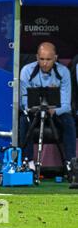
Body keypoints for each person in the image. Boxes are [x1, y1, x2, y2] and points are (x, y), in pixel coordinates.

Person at [19, 42, 76, 172]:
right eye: (42, 59)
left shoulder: (64, 72)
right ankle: (28, 162)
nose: (45, 63)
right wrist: (34, 109)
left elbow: (66, 105)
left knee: (69, 121)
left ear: (55, 58)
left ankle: (71, 163)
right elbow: (23, 101)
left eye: (49, 59)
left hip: (55, 112)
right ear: (37, 57)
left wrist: (53, 111)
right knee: (23, 120)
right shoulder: (26, 71)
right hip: (34, 112)